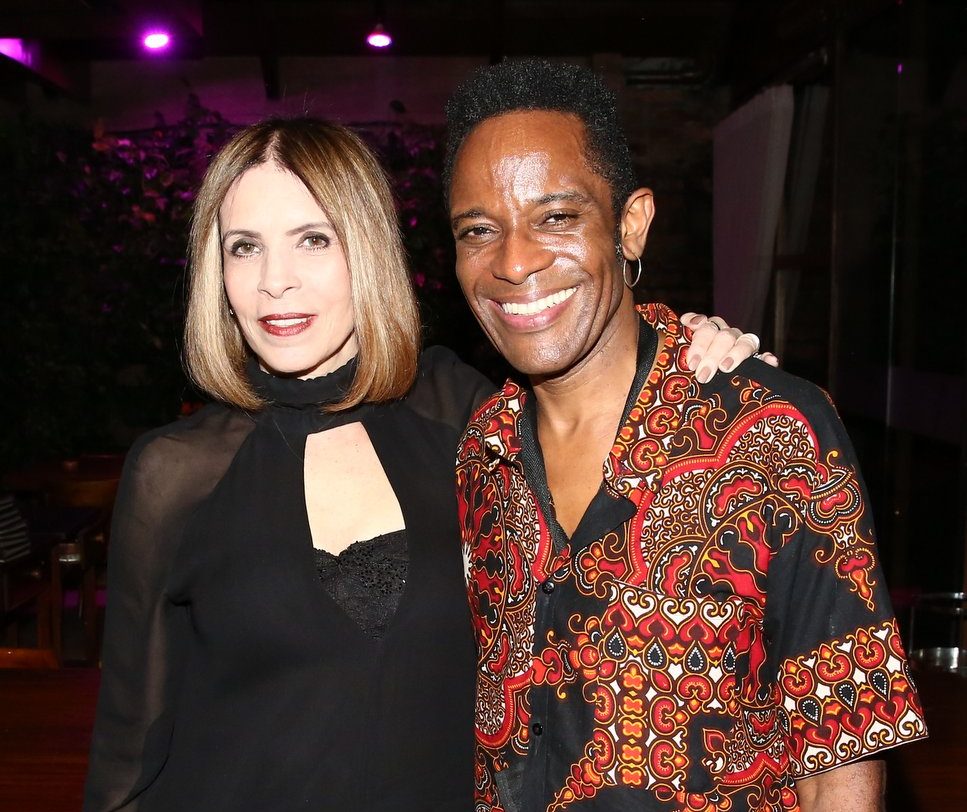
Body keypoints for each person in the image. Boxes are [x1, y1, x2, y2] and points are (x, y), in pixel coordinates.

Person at [83, 118, 758, 811]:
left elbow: (615, 438)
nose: (274, 282)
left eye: (313, 240)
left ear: (368, 248)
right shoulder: (175, 473)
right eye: (244, 247)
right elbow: (127, 754)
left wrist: (689, 350)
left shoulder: (463, 414)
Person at [446, 60, 927, 812]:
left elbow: (843, 745)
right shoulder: (480, 450)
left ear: (629, 224)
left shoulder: (770, 429)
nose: (514, 261)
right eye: (479, 230)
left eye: (556, 217)